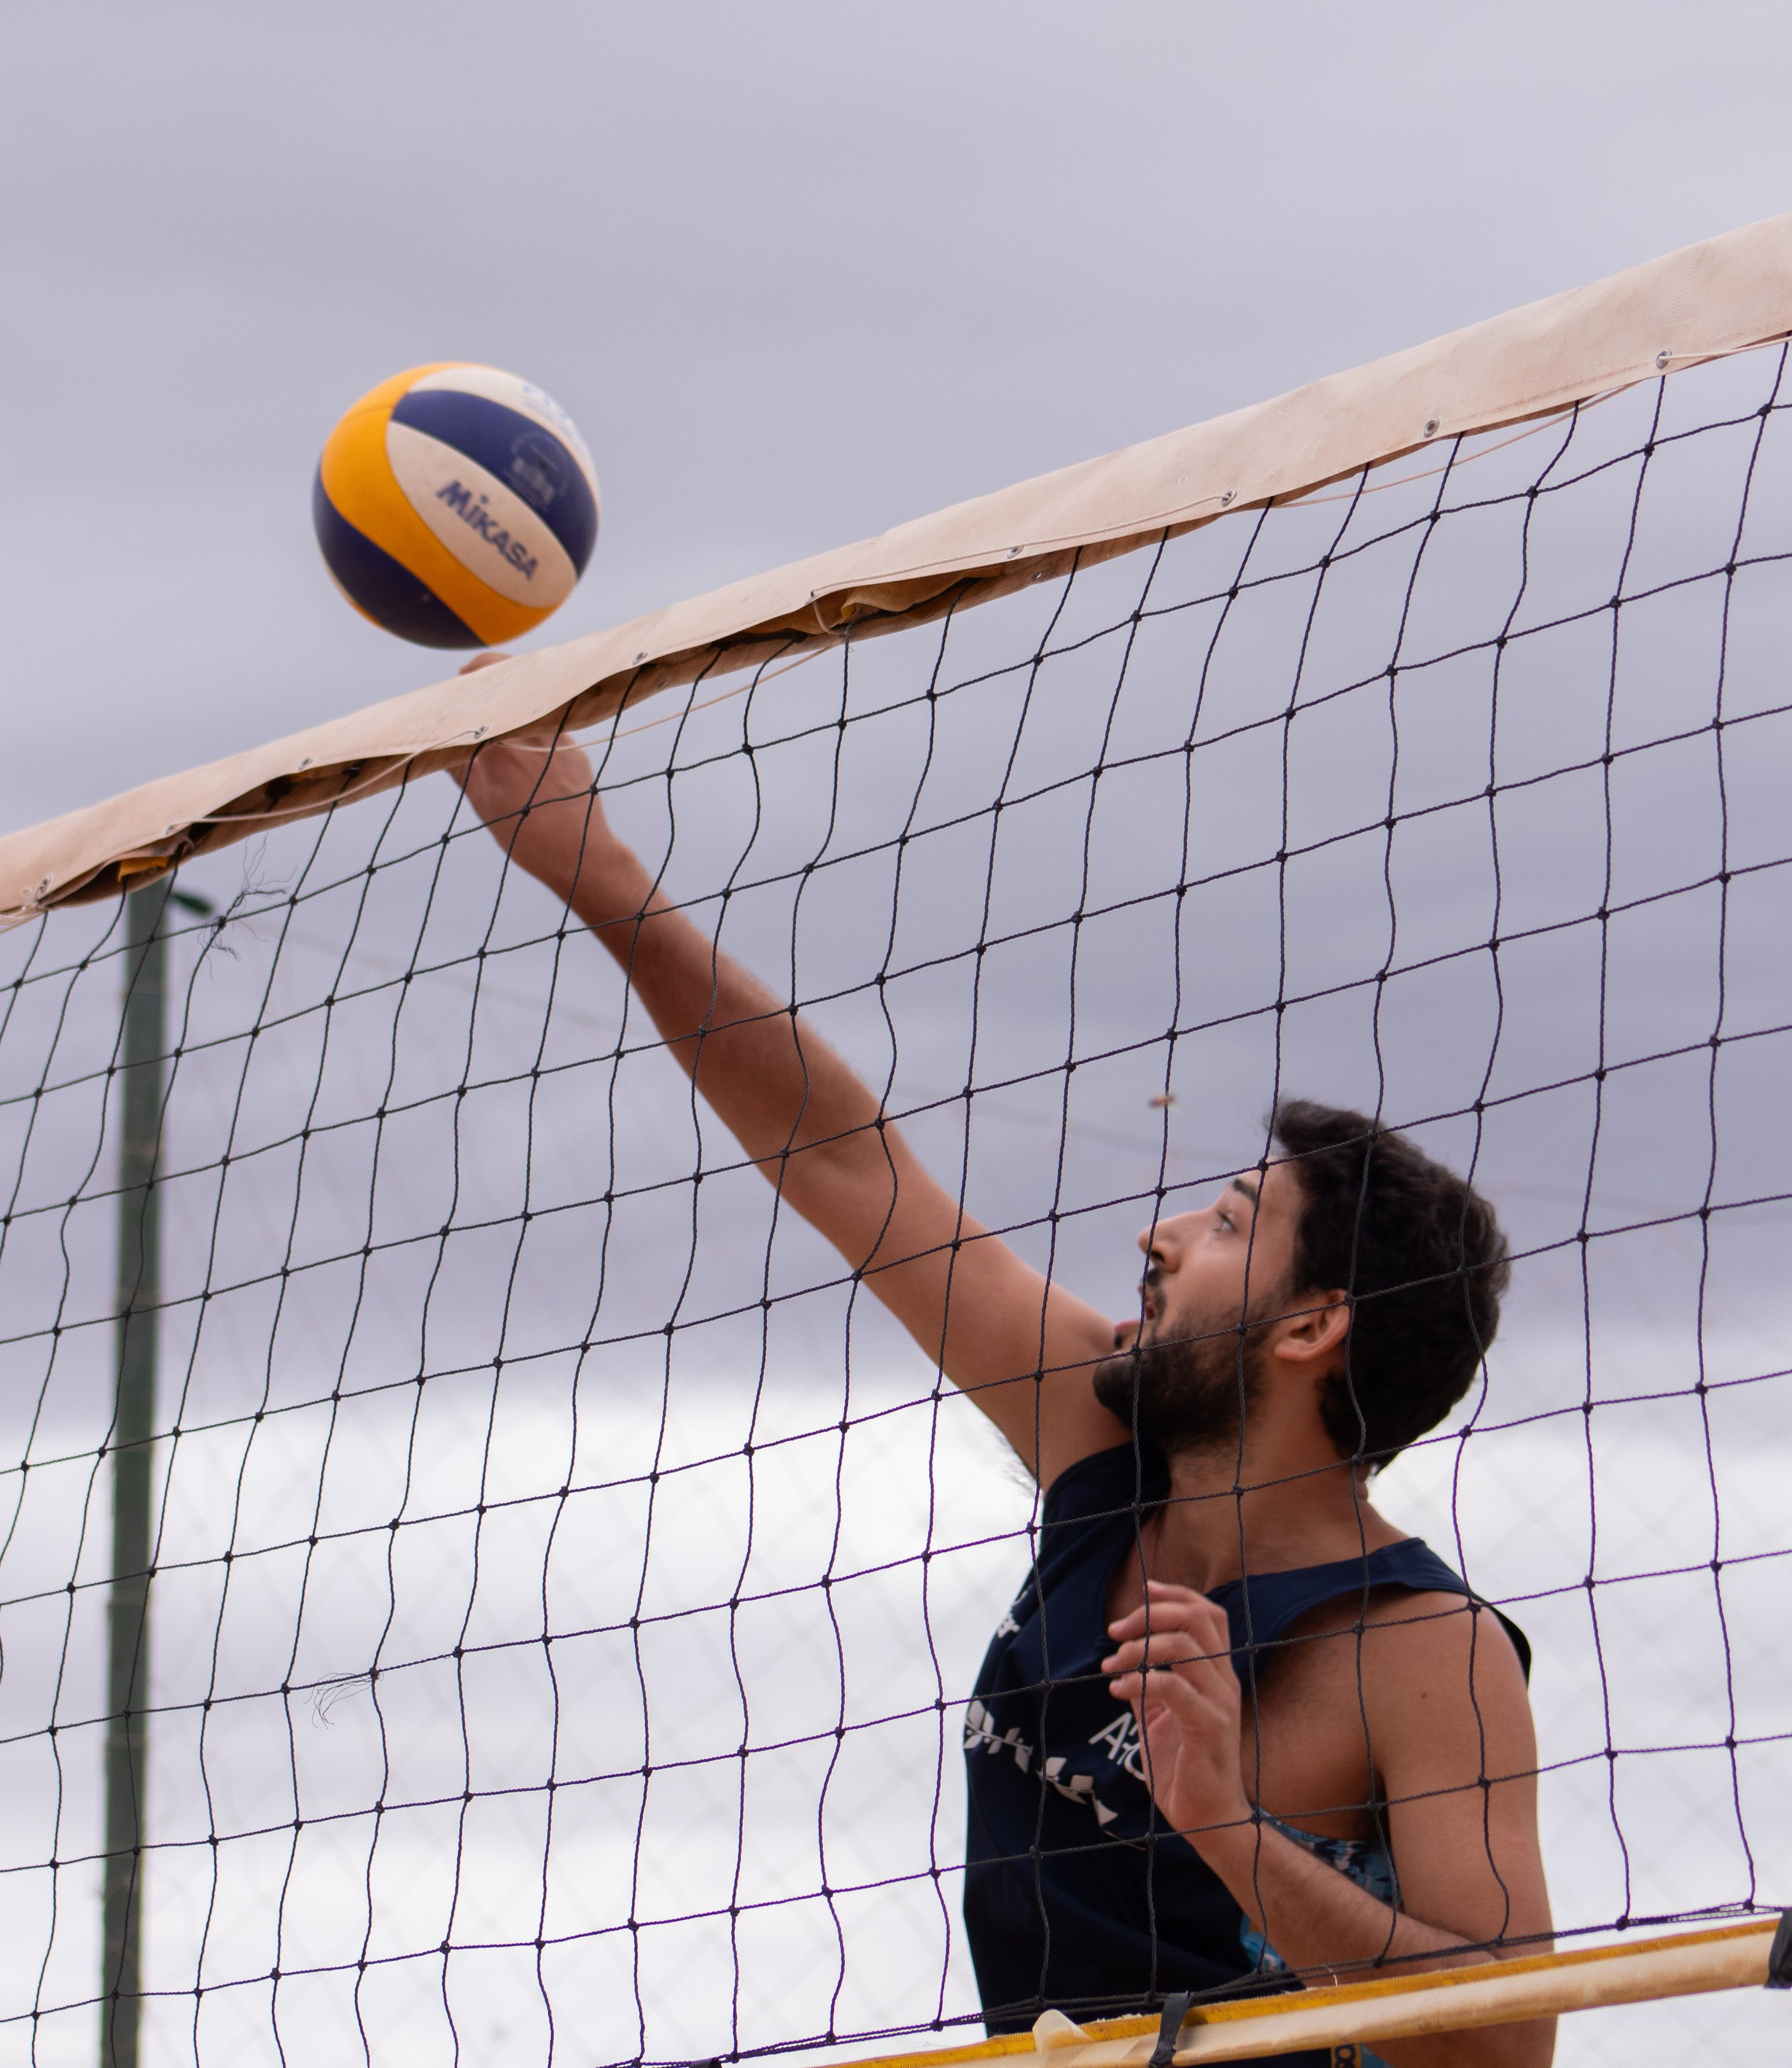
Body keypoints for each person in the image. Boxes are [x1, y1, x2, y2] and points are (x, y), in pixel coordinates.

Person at [454, 710, 1552, 2068]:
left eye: (1222, 1225)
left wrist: (1227, 1827)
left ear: (1311, 1325)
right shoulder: (1103, 1438)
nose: (1158, 1237)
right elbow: (846, 1161)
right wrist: (594, 873)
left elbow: (1507, 2046)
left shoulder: (1422, 1644)